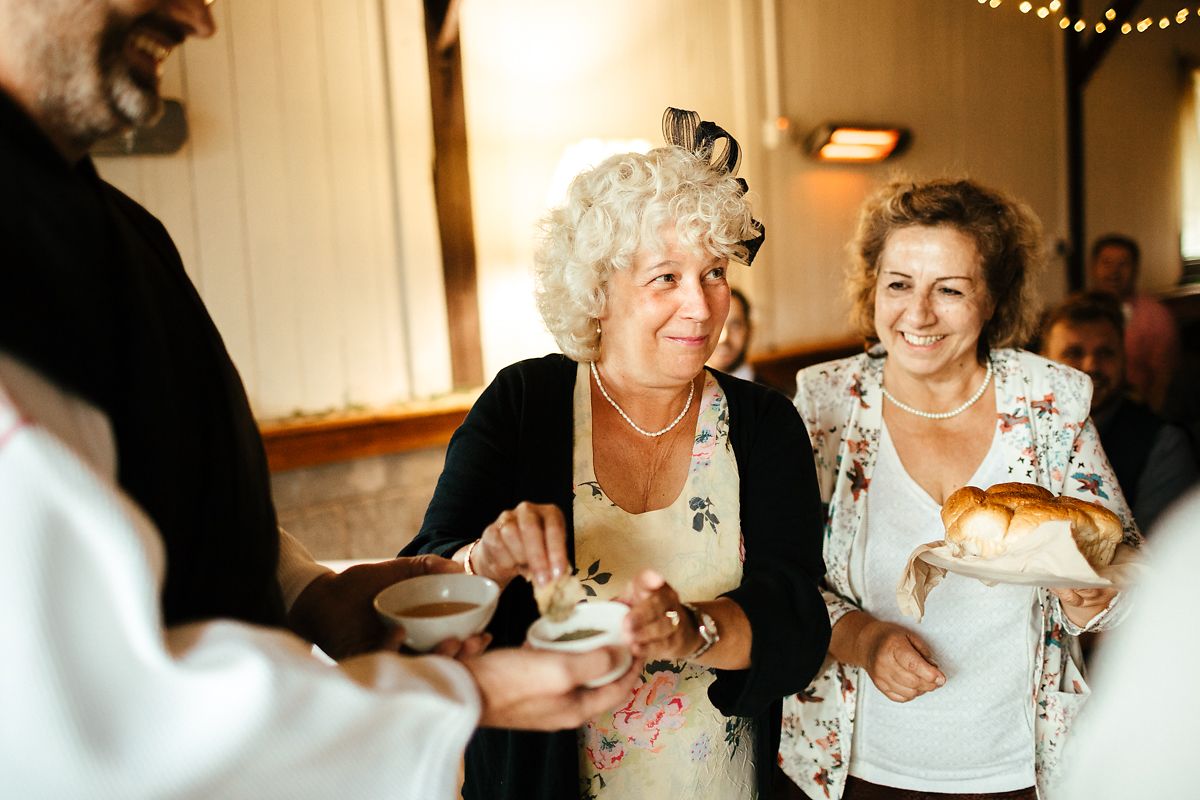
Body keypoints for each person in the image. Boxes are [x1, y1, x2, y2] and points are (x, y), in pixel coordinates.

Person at [0, 1, 639, 795]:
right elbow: (102, 720)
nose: (200, 19)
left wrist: (313, 596)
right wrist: (468, 696)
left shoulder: (115, 226)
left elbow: (156, 492)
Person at [403, 108, 831, 800]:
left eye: (715, 272)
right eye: (665, 277)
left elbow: (796, 621)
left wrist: (689, 630)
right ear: (598, 291)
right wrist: (485, 558)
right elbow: (420, 583)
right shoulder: (524, 404)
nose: (701, 307)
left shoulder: (762, 423)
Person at [777, 178, 1141, 800]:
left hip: (1021, 771)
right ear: (872, 290)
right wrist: (863, 639)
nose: (918, 314)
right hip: (858, 770)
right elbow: (780, 580)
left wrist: (1090, 596)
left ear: (994, 300)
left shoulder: (1048, 401)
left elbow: (1130, 569)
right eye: (899, 285)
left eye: (949, 290)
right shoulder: (826, 405)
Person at [1056, 488, 1200, 799]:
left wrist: (1093, 599)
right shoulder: (1188, 535)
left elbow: (1137, 587)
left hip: (1042, 741)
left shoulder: (1189, 537)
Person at [1041, 291, 1197, 533]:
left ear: (1124, 359)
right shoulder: (1021, 432)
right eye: (1074, 353)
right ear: (1044, 362)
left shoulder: (1162, 444)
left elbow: (1158, 554)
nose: (1091, 365)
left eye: (1105, 353)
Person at [1088, 234, 1180, 413]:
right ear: (1093, 267)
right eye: (1106, 263)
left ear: (1136, 269)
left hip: (1138, 411)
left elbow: (1163, 380)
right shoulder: (1077, 313)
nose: (1114, 272)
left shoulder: (1156, 316)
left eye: (1123, 264)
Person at [709, 286, 757, 380]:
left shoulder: (772, 394)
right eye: (715, 324)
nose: (724, 338)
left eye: (735, 326)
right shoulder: (680, 391)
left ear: (749, 331)